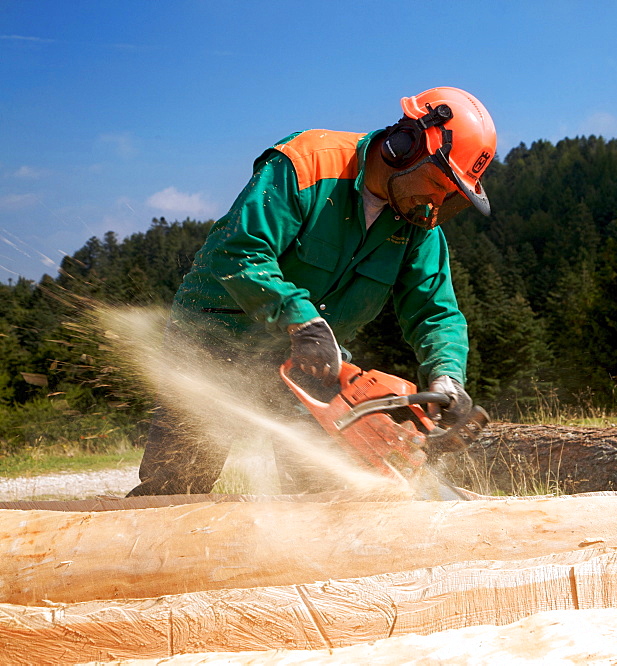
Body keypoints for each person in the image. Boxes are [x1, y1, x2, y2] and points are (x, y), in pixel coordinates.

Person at [128, 86, 496, 496]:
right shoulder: (306, 164)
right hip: (219, 337)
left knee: (330, 489)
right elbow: (239, 251)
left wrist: (446, 375)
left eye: (449, 195)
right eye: (436, 182)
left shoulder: (417, 225)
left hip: (313, 358)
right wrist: (298, 317)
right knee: (178, 483)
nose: (435, 202)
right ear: (403, 146)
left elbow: (435, 312)